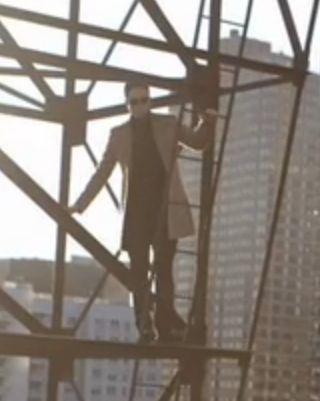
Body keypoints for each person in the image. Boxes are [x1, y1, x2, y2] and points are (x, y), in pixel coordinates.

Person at [70, 79, 216, 343]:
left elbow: (197, 142)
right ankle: (145, 326)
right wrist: (80, 204)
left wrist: (207, 121)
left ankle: (164, 326)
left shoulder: (167, 125)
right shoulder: (118, 135)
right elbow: (102, 172)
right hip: (136, 214)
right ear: (127, 104)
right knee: (139, 274)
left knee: (164, 272)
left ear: (150, 101)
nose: (139, 106)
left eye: (144, 100)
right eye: (134, 102)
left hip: (165, 212)